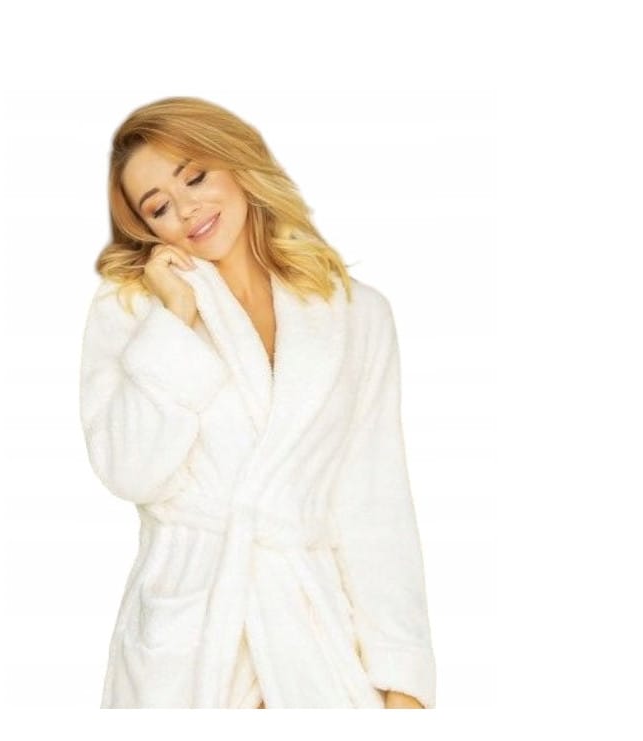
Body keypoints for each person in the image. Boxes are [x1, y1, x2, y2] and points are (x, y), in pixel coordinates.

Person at [79, 96, 436, 708]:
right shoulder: (134, 308)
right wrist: (175, 320)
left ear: (238, 162)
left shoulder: (357, 315)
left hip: (314, 631)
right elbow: (129, 472)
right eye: (159, 206)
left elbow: (375, 503)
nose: (186, 209)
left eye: (195, 177)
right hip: (189, 637)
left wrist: (403, 679)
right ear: (147, 228)